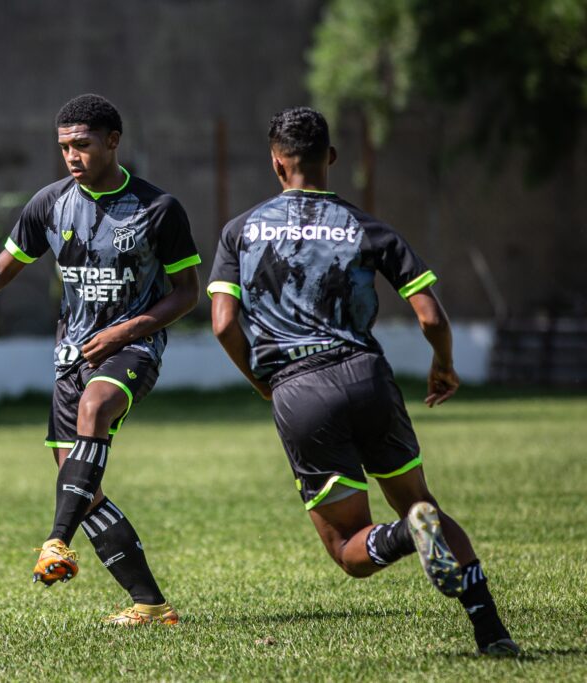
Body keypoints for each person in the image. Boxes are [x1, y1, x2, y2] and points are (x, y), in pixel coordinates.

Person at [207, 106, 519, 656]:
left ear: (277, 163)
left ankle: (404, 536)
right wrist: (443, 364)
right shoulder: (367, 226)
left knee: (349, 548)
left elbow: (224, 324)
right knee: (419, 499)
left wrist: (262, 379)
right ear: (330, 158)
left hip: (300, 389)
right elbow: (429, 316)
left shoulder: (239, 231)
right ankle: (491, 631)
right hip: (367, 378)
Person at [0, 93, 201, 625]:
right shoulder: (49, 203)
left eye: (82, 145)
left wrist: (129, 331)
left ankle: (55, 542)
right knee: (79, 486)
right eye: (64, 146)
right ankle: (150, 604)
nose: (71, 156)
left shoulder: (159, 209)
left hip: (133, 347)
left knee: (96, 409)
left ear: (113, 142)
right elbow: (1, 270)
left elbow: (186, 294)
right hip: (71, 356)